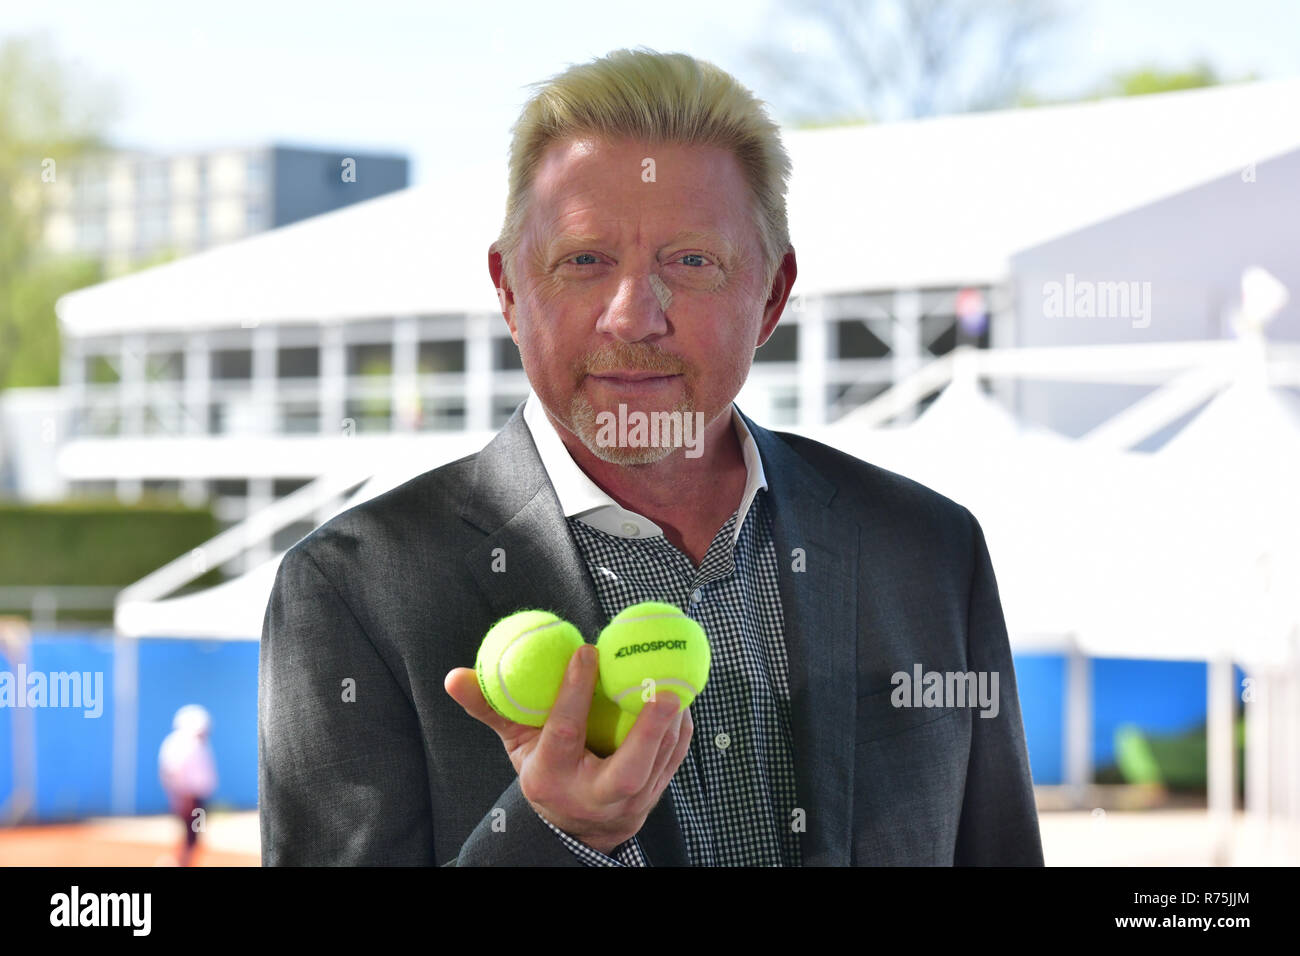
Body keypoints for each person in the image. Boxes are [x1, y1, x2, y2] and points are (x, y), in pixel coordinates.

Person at [258, 47, 1043, 866]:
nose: (634, 318)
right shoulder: (353, 591)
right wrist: (559, 839)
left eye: (691, 262)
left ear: (772, 294)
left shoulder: (928, 549)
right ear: (510, 291)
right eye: (585, 261)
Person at [158, 704, 217, 866]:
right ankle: (179, 862)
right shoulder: (184, 744)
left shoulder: (199, 744)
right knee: (192, 834)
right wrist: (182, 797)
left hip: (196, 799)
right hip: (189, 799)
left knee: (194, 834)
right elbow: (171, 772)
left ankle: (183, 862)